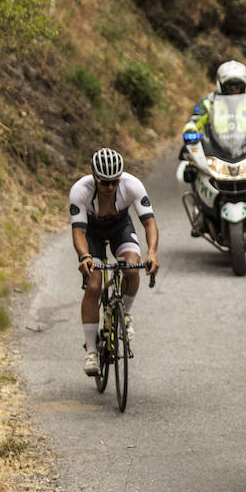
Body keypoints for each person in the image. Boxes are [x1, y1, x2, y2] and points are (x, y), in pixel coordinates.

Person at [70, 148, 159, 377]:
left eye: (114, 182)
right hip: (92, 235)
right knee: (93, 285)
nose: (110, 187)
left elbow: (149, 222)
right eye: (104, 182)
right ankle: (91, 351)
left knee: (132, 268)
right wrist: (85, 257)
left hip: (121, 229)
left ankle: (125, 314)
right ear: (94, 177)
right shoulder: (80, 190)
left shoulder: (132, 185)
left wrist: (152, 253)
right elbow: (79, 232)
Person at [182, 60, 246, 140]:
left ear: (245, 84)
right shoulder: (209, 101)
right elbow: (195, 120)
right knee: (187, 158)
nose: (233, 89)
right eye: (229, 85)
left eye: (238, 85)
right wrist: (190, 130)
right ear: (221, 85)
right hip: (215, 151)